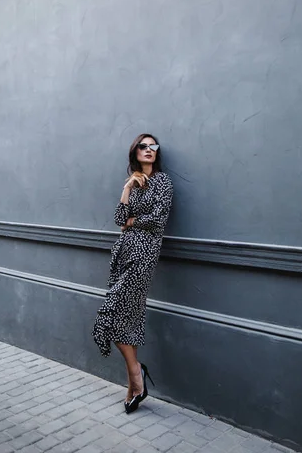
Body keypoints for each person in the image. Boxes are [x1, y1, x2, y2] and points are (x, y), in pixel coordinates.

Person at [92, 133, 173, 414]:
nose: (149, 150)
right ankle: (133, 385)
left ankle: (137, 373)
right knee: (128, 316)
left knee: (113, 314)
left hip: (143, 256)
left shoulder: (162, 181)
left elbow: (159, 219)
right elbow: (118, 220)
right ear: (135, 152)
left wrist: (134, 221)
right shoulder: (135, 182)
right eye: (144, 146)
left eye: (153, 147)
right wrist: (127, 188)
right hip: (123, 253)